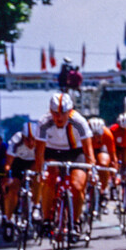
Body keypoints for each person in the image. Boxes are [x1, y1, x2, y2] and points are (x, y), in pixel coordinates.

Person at [34, 92, 94, 232]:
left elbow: (88, 150)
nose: (59, 117)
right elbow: (39, 152)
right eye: (55, 113)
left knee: (77, 186)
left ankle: (76, 221)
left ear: (70, 111)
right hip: (52, 151)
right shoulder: (44, 123)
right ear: (50, 111)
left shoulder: (79, 122)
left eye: (63, 113)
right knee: (49, 179)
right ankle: (47, 219)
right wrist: (40, 172)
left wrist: (92, 171)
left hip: (75, 152)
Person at [3, 121, 41, 237]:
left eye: (33, 139)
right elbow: (8, 164)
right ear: (22, 137)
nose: (31, 143)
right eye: (27, 140)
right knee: (13, 188)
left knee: (38, 179)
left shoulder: (42, 140)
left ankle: (36, 206)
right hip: (18, 162)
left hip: (34, 162)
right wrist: (8, 177)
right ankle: (8, 219)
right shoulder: (16, 140)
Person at [86, 117, 117, 201]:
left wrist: (114, 174)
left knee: (103, 163)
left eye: (98, 136)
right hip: (86, 148)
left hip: (101, 149)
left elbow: (113, 156)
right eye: (93, 136)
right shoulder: (83, 134)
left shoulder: (108, 134)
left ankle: (104, 189)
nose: (96, 139)